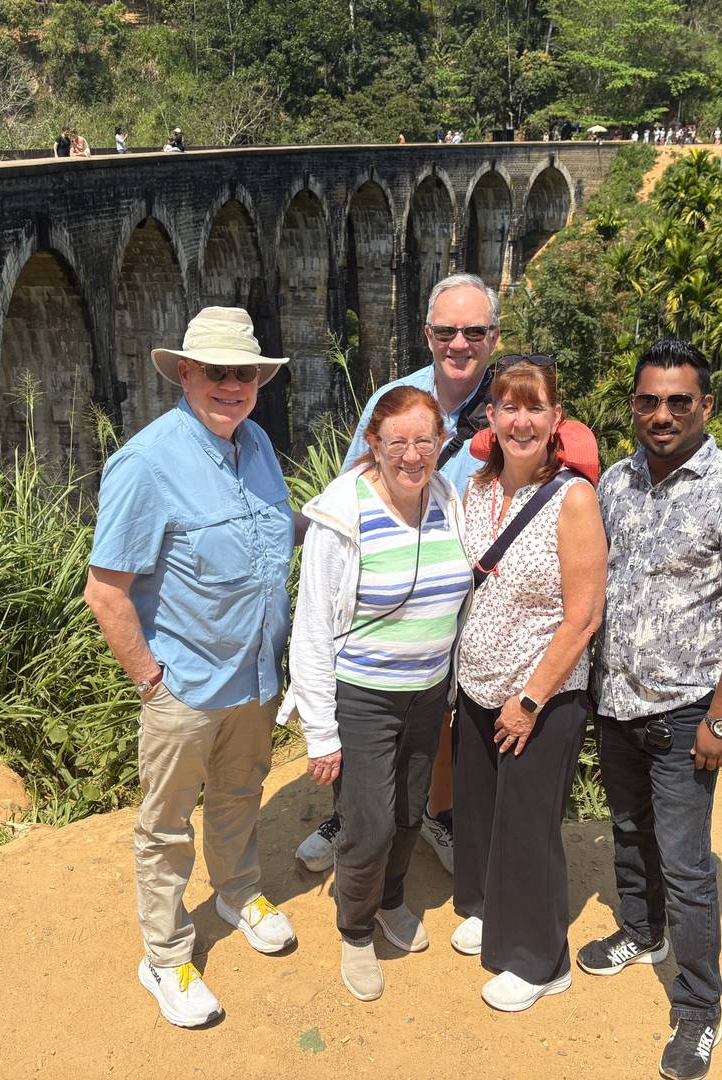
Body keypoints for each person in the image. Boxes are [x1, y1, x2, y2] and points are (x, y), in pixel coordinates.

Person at [84, 307, 299, 1029]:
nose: (231, 385)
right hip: (185, 685)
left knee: (241, 791)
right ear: (184, 373)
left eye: (245, 374)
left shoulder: (257, 443)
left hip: (255, 675)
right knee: (167, 826)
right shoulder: (146, 463)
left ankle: (237, 892)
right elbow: (105, 590)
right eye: (216, 372)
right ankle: (166, 955)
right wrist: (152, 680)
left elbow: (276, 535)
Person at [580, 339, 722, 1080]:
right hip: (617, 701)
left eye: (678, 402)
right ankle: (642, 931)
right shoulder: (616, 482)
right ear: (633, 405)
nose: (661, 415)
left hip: (684, 710)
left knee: (688, 865)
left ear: (705, 406)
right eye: (649, 401)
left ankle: (698, 1009)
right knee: (628, 830)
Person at [294, 273, 502, 876]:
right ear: (428, 334)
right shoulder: (395, 396)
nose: (459, 343)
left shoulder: (507, 403)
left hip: (466, 589)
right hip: (387, 585)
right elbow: (351, 485)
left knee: (439, 718)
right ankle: (352, 816)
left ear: (493, 335)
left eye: (474, 331)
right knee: (371, 719)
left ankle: (435, 814)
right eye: (446, 331)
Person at [287, 386, 472, 1001]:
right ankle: (356, 929)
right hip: (362, 696)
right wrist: (320, 732)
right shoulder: (343, 515)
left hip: (428, 692)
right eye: (398, 442)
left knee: (410, 811)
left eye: (425, 441)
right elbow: (312, 627)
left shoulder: (447, 499)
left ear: (442, 443)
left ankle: (391, 899)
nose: (412, 455)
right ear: (373, 443)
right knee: (367, 823)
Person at [448, 355, 606, 1012]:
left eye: (534, 408)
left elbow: (584, 616)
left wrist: (532, 698)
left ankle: (540, 959)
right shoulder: (478, 487)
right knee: (483, 814)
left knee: (527, 825)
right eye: (508, 407)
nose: (520, 421)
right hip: (479, 685)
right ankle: (493, 909)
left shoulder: (574, 499)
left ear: (555, 418)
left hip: (541, 693)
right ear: (491, 416)